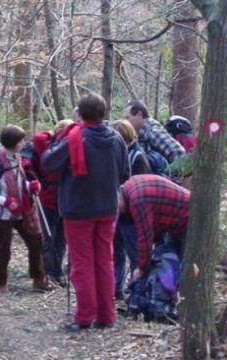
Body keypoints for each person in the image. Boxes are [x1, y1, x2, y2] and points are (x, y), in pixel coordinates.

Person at [42, 94, 130, 331]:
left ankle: (84, 317)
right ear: (103, 112)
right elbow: (125, 172)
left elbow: (49, 163)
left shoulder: (75, 137)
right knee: (104, 260)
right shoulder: (117, 138)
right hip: (108, 208)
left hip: (79, 209)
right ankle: (106, 316)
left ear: (80, 113)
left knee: (82, 263)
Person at [0, 124, 52, 295]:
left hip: (20, 208)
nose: (24, 143)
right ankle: (1, 284)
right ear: (13, 143)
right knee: (4, 247)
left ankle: (38, 279)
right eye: (21, 140)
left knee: (35, 240)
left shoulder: (15, 156)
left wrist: (29, 185)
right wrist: (6, 201)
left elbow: (16, 181)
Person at [117, 174, 190, 282]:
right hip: (175, 219)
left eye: (117, 208)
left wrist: (141, 269)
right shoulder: (130, 184)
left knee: (183, 266)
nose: (119, 212)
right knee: (170, 259)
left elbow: (145, 237)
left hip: (186, 218)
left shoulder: (137, 201)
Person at [110, 119, 151, 299]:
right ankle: (115, 288)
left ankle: (138, 292)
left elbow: (140, 187)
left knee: (135, 255)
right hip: (116, 212)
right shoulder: (118, 153)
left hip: (132, 215)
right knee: (116, 252)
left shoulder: (138, 157)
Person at [31, 119, 73, 287]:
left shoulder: (65, 148)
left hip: (64, 200)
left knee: (61, 239)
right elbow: (38, 139)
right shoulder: (48, 146)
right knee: (49, 238)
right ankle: (48, 273)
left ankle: (56, 273)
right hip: (49, 198)